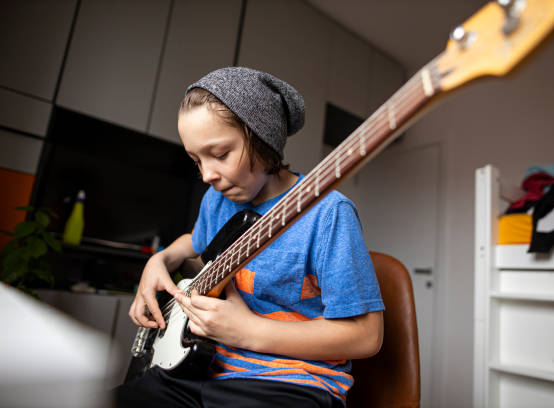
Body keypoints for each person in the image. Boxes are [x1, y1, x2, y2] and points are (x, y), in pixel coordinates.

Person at [117, 67, 384, 408]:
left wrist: (248, 331)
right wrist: (162, 259)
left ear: (263, 139)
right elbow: (197, 244)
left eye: (220, 154)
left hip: (287, 384)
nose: (207, 175)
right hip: (197, 370)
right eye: (196, 159)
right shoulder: (218, 199)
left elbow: (367, 336)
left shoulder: (328, 213)